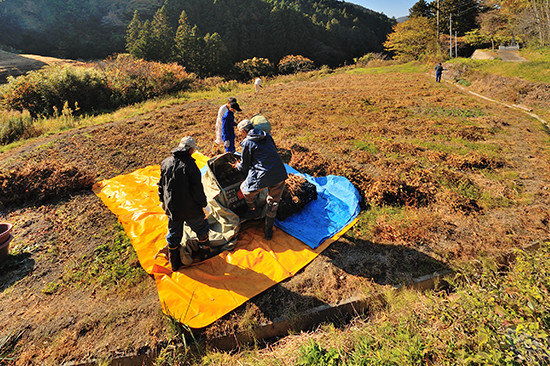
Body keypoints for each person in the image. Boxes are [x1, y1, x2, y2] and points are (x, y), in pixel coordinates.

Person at [158, 136, 210, 271]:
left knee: (174, 234)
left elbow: (161, 184)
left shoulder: (166, 162)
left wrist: (162, 200)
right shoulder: (191, 166)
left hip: (173, 208)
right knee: (202, 230)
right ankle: (205, 254)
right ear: (190, 149)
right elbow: (197, 191)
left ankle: (174, 263)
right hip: (191, 209)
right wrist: (204, 205)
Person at [234, 119, 287, 240]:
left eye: (240, 133)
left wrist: (237, 165)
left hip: (263, 175)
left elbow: (244, 166)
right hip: (279, 172)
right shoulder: (267, 136)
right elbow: (272, 151)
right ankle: (268, 230)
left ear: (243, 131)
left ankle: (253, 210)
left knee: (246, 190)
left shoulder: (247, 143)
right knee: (273, 202)